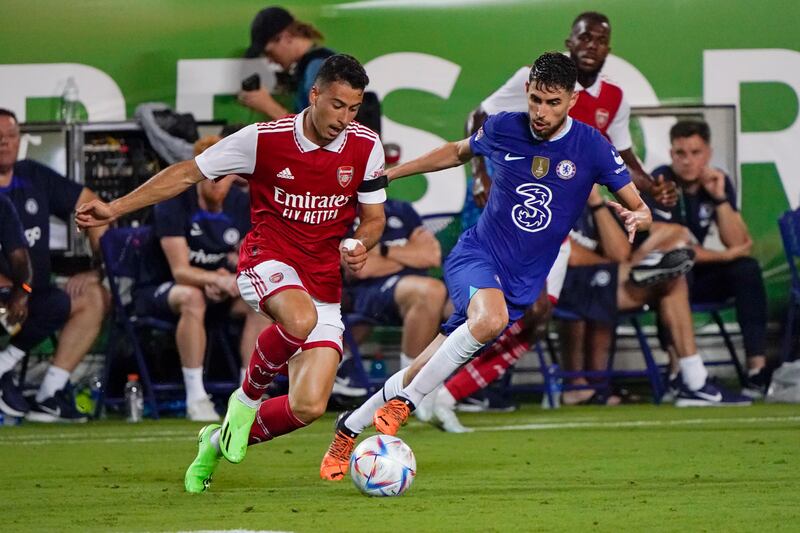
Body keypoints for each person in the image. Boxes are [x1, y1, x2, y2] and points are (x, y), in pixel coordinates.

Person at [320, 52, 652, 480]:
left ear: (571, 100)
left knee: (428, 360)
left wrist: (638, 216)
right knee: (488, 320)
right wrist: (393, 174)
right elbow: (455, 152)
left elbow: (638, 205)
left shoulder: (591, 146)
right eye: (535, 99)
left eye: (552, 103)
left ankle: (349, 425)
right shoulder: (503, 127)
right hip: (476, 256)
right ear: (527, 91)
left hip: (521, 282)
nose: (540, 112)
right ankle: (408, 402)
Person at [75, 54, 387, 492]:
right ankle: (244, 402)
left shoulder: (365, 145)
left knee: (309, 405)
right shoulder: (263, 139)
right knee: (299, 319)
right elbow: (186, 174)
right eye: (337, 105)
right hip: (268, 258)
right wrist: (114, 207)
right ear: (314, 95)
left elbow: (374, 218)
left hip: (323, 282)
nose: (344, 118)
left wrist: (360, 243)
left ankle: (214, 442)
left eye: (353, 109)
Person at [557, 185, 751, 406]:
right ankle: (694, 382)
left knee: (673, 279)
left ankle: (693, 381)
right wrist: (623, 269)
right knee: (666, 277)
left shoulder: (592, 203)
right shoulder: (553, 196)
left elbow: (620, 252)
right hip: (562, 284)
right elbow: (567, 255)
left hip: (602, 281)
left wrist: (597, 204)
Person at [468, 11, 676, 212]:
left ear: (607, 50)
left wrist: (652, 187)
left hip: (553, 198)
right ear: (570, 43)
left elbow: (621, 157)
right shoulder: (537, 77)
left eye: (600, 40)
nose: (592, 46)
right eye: (585, 38)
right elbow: (478, 117)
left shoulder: (615, 98)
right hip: (500, 188)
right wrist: (480, 175)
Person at [132, 134, 269, 421]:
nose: (217, 184)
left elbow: (250, 257)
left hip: (219, 291)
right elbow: (180, 271)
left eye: (224, 177)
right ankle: (196, 397)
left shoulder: (242, 204)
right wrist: (215, 279)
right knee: (192, 296)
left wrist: (232, 277)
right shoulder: (173, 204)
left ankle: (248, 395)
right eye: (211, 176)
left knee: (263, 301)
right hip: (161, 289)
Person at [0, 108, 109, 423]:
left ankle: (49, 394)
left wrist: (97, 267)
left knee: (93, 297)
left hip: (34, 290)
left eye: (10, 136)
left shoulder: (33, 175)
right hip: (5, 296)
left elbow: (95, 206)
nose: (5, 143)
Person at [649, 119, 770, 398]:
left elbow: (740, 244)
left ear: (708, 154)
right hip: (660, 274)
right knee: (676, 273)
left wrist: (720, 199)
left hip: (700, 270)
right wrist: (725, 255)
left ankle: (756, 372)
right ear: (671, 154)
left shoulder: (717, 180)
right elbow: (674, 248)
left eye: (695, 153)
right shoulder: (660, 182)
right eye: (681, 153)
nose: (688, 161)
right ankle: (677, 372)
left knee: (746, 269)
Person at [344, 198, 450, 370]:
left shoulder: (401, 208)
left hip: (412, 286)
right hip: (369, 291)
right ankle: (409, 384)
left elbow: (432, 256)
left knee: (469, 300)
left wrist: (382, 251)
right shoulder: (344, 213)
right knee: (430, 291)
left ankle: (459, 384)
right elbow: (361, 268)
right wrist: (413, 254)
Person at [239, 6, 335, 119]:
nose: (269, 60)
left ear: (287, 37)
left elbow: (319, 130)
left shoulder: (317, 68)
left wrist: (269, 107)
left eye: (269, 53)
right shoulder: (314, 64)